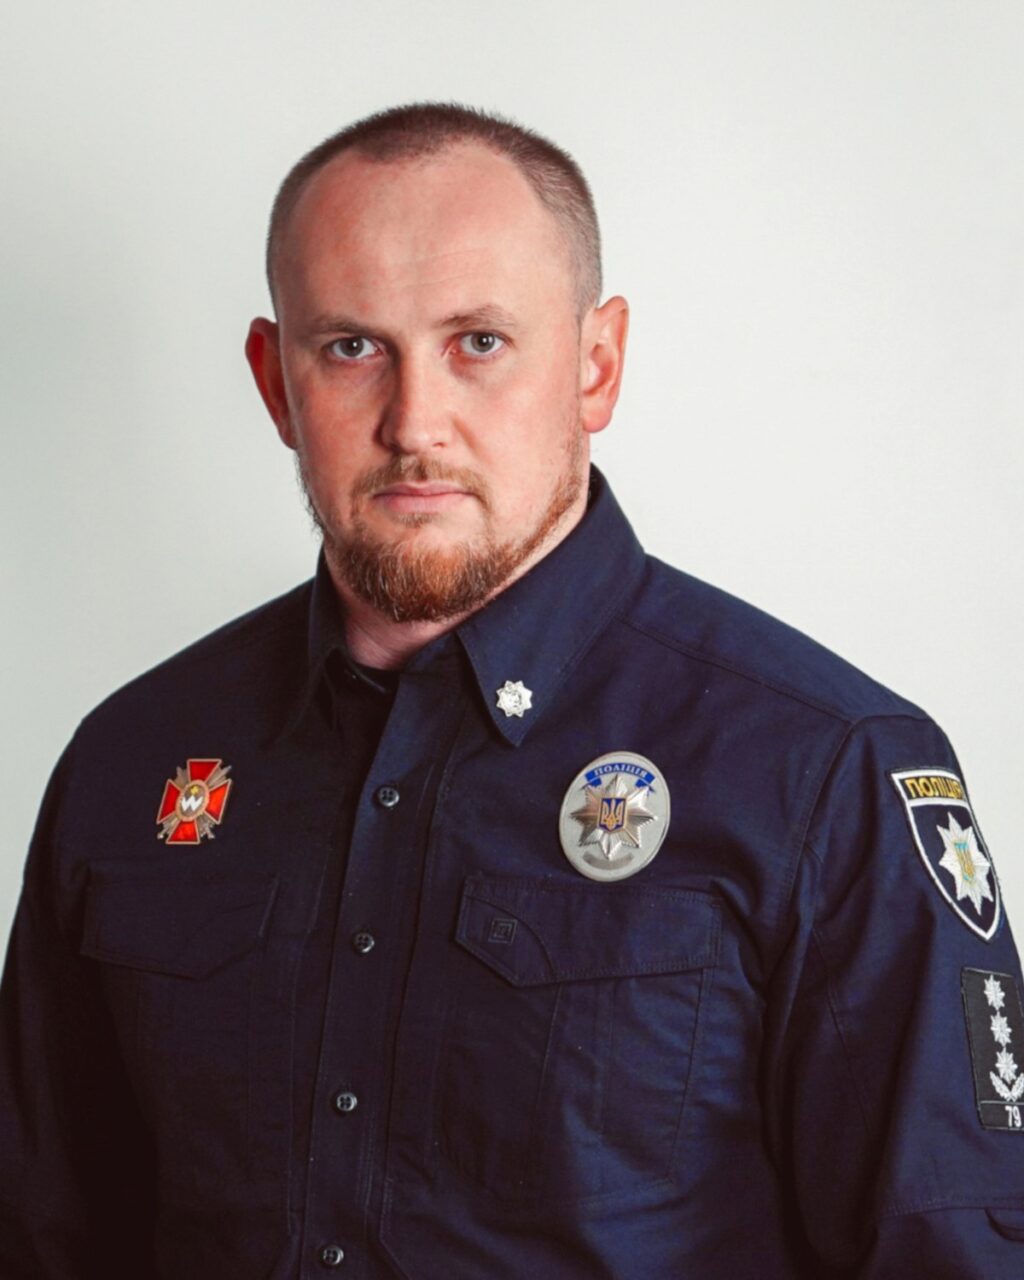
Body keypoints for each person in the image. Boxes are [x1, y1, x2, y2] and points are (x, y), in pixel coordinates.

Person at [1, 102, 1022, 1279]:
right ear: (276, 383)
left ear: (595, 365)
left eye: (478, 342)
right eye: (351, 347)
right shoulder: (132, 761)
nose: (414, 422)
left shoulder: (822, 768)